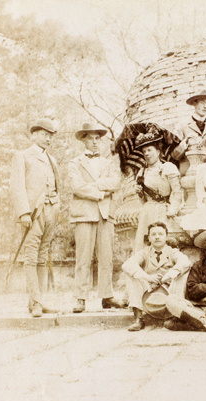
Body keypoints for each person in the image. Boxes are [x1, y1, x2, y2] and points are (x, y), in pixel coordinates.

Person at [69, 123, 126, 313]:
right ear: (83, 140)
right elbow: (77, 187)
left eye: (97, 138)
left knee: (106, 257)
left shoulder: (108, 162)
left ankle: (107, 296)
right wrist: (101, 191)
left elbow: (116, 183)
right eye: (91, 138)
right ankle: (80, 298)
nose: (95, 142)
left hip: (105, 213)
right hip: (84, 213)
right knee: (83, 257)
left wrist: (93, 185)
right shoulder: (75, 163)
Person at [10, 118, 60, 318]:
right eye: (45, 135)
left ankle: (38, 301)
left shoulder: (52, 159)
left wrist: (57, 205)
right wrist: (23, 212)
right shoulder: (21, 156)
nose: (48, 139)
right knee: (31, 256)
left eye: (50, 136)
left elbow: (57, 185)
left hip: (51, 211)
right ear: (34, 135)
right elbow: (17, 186)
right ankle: (36, 302)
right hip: (32, 213)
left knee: (42, 257)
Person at [121, 222, 192, 331]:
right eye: (153, 234)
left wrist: (167, 276)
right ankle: (138, 318)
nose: (157, 237)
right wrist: (148, 278)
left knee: (184, 272)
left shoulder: (172, 252)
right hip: (149, 292)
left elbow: (185, 262)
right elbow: (127, 265)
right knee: (131, 274)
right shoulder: (145, 253)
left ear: (166, 236)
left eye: (160, 234)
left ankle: (177, 315)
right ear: (149, 237)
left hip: (168, 292)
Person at [133, 130, 182, 251]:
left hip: (163, 211)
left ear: (158, 152)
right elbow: (143, 200)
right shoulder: (142, 172)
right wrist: (139, 193)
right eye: (144, 151)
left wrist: (172, 210)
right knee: (144, 245)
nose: (147, 154)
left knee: (162, 243)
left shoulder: (168, 167)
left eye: (149, 150)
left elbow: (177, 191)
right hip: (147, 212)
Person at [172, 90, 206, 175]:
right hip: (188, 172)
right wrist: (186, 142)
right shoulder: (182, 125)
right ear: (194, 103)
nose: (205, 107)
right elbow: (174, 154)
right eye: (202, 103)